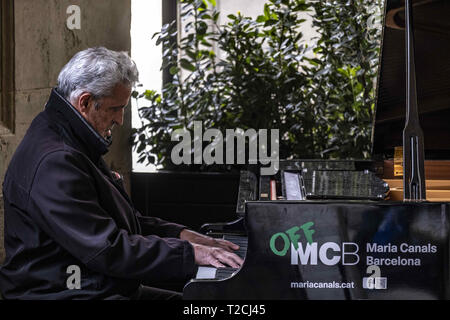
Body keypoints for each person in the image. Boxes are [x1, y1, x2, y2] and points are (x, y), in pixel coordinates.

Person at [0, 47, 243, 300]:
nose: (120, 119)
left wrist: (181, 235)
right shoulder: (56, 160)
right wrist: (189, 253)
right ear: (84, 102)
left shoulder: (71, 135)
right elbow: (109, 249)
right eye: (116, 108)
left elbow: (122, 224)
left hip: (97, 287)